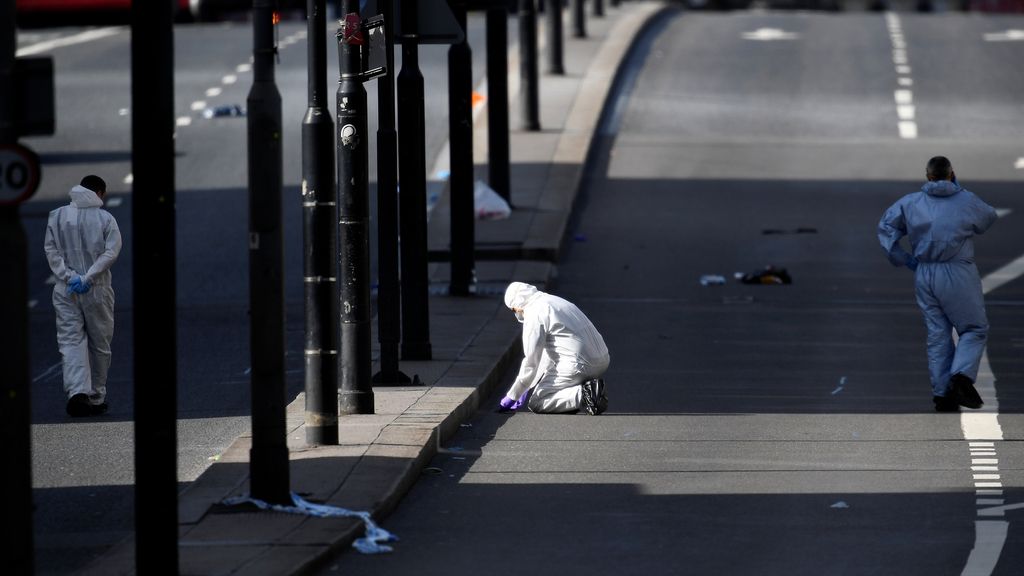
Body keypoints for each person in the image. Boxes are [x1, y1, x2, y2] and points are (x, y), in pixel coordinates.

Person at [878, 156, 997, 413]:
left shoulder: (910, 202)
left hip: (924, 272)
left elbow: (886, 228)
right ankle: (961, 378)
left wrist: (905, 260)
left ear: (927, 175)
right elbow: (988, 218)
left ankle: (942, 395)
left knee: (938, 334)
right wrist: (958, 188)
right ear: (952, 173)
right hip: (957, 271)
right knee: (973, 328)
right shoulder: (966, 200)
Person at [44, 175, 122, 417]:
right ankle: (96, 396)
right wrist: (88, 277)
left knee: (70, 341)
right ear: (99, 192)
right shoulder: (105, 218)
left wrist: (68, 277)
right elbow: (111, 253)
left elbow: (51, 250)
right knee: (100, 343)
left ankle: (77, 392)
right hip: (97, 288)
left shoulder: (56, 216)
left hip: (65, 290)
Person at [498, 282, 611, 415]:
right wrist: (525, 387)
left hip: (579, 365)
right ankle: (574, 398)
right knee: (551, 384)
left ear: (517, 304)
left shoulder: (534, 313)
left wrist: (513, 395)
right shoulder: (555, 301)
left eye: (513, 309)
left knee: (538, 401)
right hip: (602, 359)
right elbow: (547, 356)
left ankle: (586, 394)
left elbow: (532, 360)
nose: (516, 313)